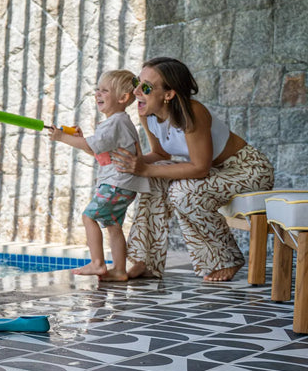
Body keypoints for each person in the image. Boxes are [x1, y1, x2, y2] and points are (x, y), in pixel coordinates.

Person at [112, 57, 274, 282]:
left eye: (146, 87)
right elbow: (160, 155)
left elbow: (199, 169)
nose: (137, 91)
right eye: (136, 82)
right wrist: (131, 163)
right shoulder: (146, 114)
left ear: (169, 94)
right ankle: (145, 260)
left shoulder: (192, 112)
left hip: (248, 170)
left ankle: (225, 258)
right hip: (215, 172)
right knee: (154, 178)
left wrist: (145, 169)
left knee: (183, 191)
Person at [49, 70, 149, 282]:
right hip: (123, 185)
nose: (98, 94)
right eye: (97, 89)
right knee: (113, 226)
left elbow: (90, 146)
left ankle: (97, 262)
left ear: (123, 98)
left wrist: (62, 137)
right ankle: (120, 270)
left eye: (105, 90)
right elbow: (97, 151)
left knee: (89, 216)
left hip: (116, 184)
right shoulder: (119, 123)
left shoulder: (115, 123)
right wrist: (81, 139)